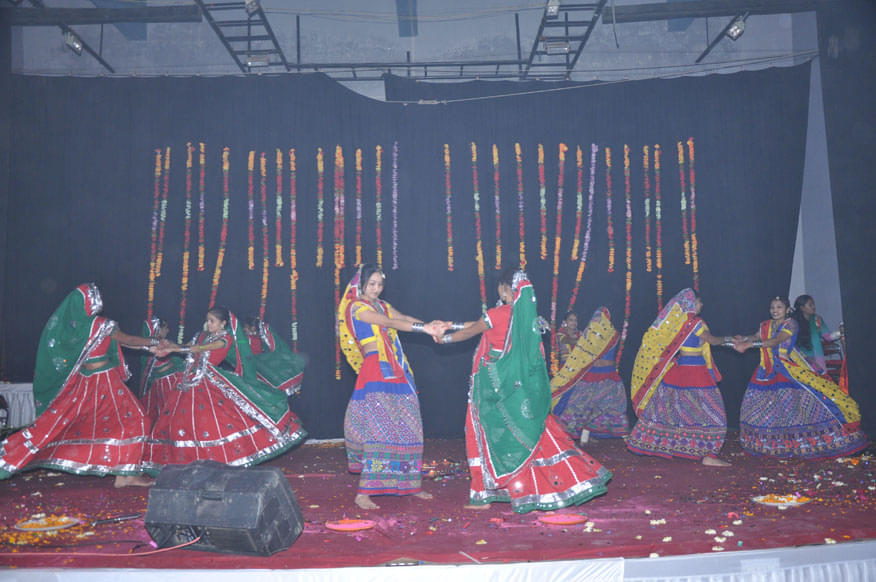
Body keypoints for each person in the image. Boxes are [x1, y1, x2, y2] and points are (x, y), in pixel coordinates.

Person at [438, 268, 611, 513]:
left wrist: (443, 338)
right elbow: (480, 326)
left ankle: (485, 495)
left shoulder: (496, 314)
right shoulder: (526, 319)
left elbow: (471, 331)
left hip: (493, 387)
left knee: (485, 434)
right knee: (533, 434)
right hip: (520, 388)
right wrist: (449, 324)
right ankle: (570, 481)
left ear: (505, 288)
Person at [0, 283, 154, 487]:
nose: (98, 300)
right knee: (138, 420)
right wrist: (154, 342)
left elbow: (125, 343)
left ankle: (124, 474)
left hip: (85, 383)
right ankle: (125, 473)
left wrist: (151, 345)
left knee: (58, 425)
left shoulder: (74, 330)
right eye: (94, 296)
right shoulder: (100, 324)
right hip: (103, 381)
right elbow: (128, 340)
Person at [143, 306, 306, 473]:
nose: (209, 324)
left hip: (208, 382)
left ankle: (223, 459)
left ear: (223, 323)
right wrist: (166, 345)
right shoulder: (203, 336)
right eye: (207, 320)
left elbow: (198, 349)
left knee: (216, 424)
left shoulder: (225, 339)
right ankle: (194, 462)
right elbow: (187, 345)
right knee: (188, 425)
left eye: (212, 321)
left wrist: (175, 348)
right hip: (189, 382)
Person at [337, 263, 446, 510]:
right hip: (375, 372)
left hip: (397, 370)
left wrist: (432, 328)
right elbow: (389, 323)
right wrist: (424, 328)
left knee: (409, 426)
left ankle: (410, 484)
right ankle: (363, 493)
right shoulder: (357, 308)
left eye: (380, 284)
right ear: (361, 284)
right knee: (378, 430)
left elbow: (403, 318)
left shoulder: (382, 305)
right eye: (371, 284)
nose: (376, 289)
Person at [733, 296, 867, 459]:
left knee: (794, 409)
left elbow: (775, 340)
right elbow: (756, 336)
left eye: (779, 307)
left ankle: (805, 443)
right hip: (765, 371)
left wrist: (748, 345)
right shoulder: (765, 325)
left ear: (788, 310)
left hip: (786, 369)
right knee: (755, 406)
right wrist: (744, 339)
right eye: (773, 307)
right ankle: (767, 445)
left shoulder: (790, 324)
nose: (775, 310)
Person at [626, 288, 731, 467]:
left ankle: (668, 445)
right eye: (698, 302)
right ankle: (709, 455)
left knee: (672, 411)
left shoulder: (678, 323)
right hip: (696, 373)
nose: (701, 305)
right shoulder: (695, 322)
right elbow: (712, 341)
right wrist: (732, 339)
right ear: (691, 304)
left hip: (679, 370)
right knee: (715, 413)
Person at [550, 307, 630, 443]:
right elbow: (570, 342)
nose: (573, 323)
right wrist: (589, 341)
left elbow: (591, 348)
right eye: (570, 320)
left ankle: (585, 434)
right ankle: (560, 433)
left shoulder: (583, 335)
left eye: (575, 320)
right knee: (567, 403)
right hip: (567, 372)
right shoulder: (561, 334)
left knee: (584, 404)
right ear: (564, 322)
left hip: (581, 371)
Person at [243, 316, 307, 396]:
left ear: (252, 328)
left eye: (245, 327)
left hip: (279, 366)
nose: (244, 329)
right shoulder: (249, 338)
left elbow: (277, 349)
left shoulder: (266, 332)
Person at [139, 317, 184, 425]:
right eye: (166, 328)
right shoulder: (149, 347)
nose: (168, 331)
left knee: (171, 412)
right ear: (158, 329)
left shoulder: (165, 343)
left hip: (170, 382)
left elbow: (179, 362)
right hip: (159, 385)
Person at [791, 294, 842, 375]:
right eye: (810, 305)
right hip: (801, 359)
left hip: (818, 358)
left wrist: (840, 332)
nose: (813, 306)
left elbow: (828, 337)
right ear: (802, 308)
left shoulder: (817, 319)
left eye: (813, 304)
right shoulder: (792, 322)